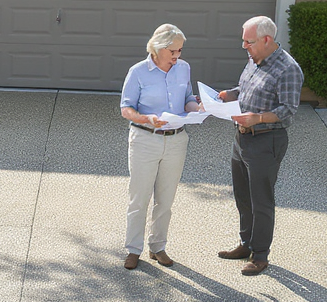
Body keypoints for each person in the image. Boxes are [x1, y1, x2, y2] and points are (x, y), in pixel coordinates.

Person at [216, 15, 304, 276]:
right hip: (242, 138)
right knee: (243, 196)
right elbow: (245, 88)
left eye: (249, 42)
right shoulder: (255, 59)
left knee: (261, 200)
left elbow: (288, 111)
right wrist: (229, 94)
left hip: (267, 140)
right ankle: (246, 244)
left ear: (267, 40)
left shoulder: (288, 69)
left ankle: (260, 255)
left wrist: (258, 118)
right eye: (244, 41)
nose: (244, 46)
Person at [120, 23, 204, 270]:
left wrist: (197, 108)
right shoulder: (137, 72)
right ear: (157, 49)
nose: (177, 56)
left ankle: (158, 247)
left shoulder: (184, 68)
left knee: (165, 200)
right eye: (173, 51)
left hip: (177, 140)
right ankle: (133, 249)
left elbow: (188, 98)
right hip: (145, 139)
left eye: (180, 51)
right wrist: (147, 118)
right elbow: (126, 108)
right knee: (139, 198)